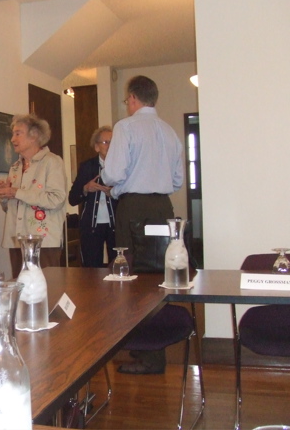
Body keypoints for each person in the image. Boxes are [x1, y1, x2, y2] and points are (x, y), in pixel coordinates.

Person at [102, 75, 184, 375]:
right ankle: (152, 352)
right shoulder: (169, 131)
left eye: (127, 100)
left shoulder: (127, 127)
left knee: (130, 279)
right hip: (163, 208)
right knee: (157, 280)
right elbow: (177, 180)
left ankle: (141, 350)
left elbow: (112, 174)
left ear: (133, 98)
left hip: (134, 207)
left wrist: (113, 183)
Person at [0, 113, 68, 278]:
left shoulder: (52, 162)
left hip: (44, 241)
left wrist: (16, 192)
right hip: (16, 240)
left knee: (48, 289)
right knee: (21, 288)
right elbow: (9, 208)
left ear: (34, 135)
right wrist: (5, 195)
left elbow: (56, 199)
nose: (13, 139)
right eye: (13, 134)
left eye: (18, 133)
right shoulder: (15, 167)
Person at [68, 125, 118, 267]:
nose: (110, 146)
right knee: (91, 267)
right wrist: (85, 188)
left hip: (117, 225)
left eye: (113, 142)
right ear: (96, 147)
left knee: (118, 264)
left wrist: (115, 193)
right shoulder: (87, 166)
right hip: (90, 225)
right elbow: (72, 199)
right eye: (106, 142)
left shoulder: (122, 166)